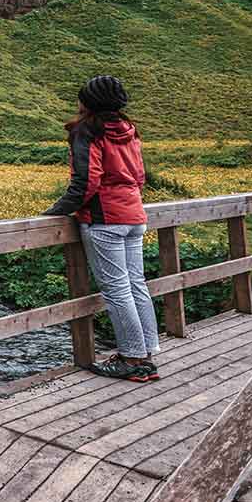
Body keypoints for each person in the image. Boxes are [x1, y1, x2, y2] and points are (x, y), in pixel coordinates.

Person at [43, 75, 159, 382]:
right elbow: (139, 177)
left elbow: (86, 182)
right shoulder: (129, 130)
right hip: (134, 215)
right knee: (136, 284)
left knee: (117, 290)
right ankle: (146, 353)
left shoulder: (87, 131)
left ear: (88, 103)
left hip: (105, 218)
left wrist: (55, 212)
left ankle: (133, 360)